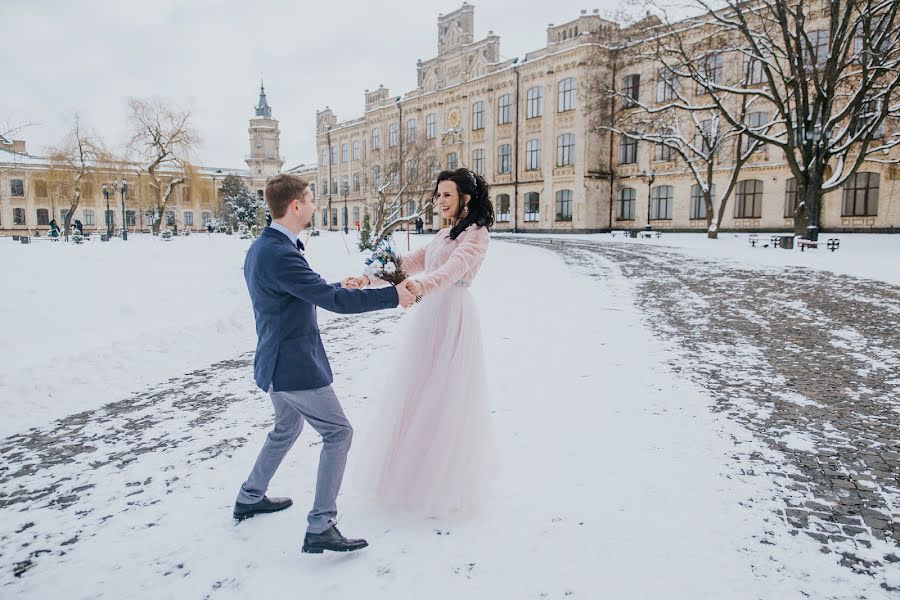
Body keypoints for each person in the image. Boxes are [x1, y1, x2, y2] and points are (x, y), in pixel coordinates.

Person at [232, 173, 418, 555]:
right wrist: (392, 297)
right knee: (339, 433)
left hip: (276, 358)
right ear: (296, 205)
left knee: (286, 428)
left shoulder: (266, 247)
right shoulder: (279, 253)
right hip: (292, 366)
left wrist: (339, 286)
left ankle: (250, 496)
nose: (315, 206)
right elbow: (328, 302)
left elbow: (306, 290)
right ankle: (321, 525)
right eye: (312, 200)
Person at [348, 168, 497, 517]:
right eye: (438, 195)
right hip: (430, 316)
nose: (440, 201)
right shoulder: (445, 233)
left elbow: (454, 270)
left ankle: (443, 481)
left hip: (453, 315)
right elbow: (410, 263)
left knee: (445, 395)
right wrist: (369, 277)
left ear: (466, 198)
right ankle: (412, 473)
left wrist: (422, 287)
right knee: (418, 390)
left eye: (447, 194)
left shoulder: (477, 234)